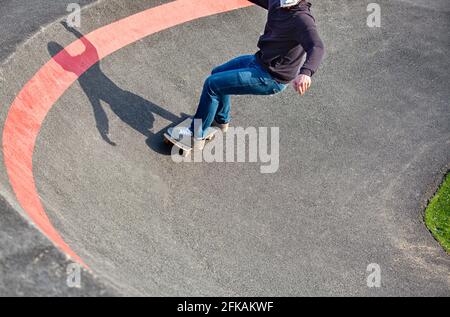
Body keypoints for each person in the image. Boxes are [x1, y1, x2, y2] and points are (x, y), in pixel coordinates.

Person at [168, 0, 325, 149]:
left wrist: (306, 73)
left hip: (271, 77)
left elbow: (317, 47)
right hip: (258, 60)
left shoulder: (302, 20)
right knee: (217, 74)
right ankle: (221, 120)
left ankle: (195, 135)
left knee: (213, 85)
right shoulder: (277, 1)